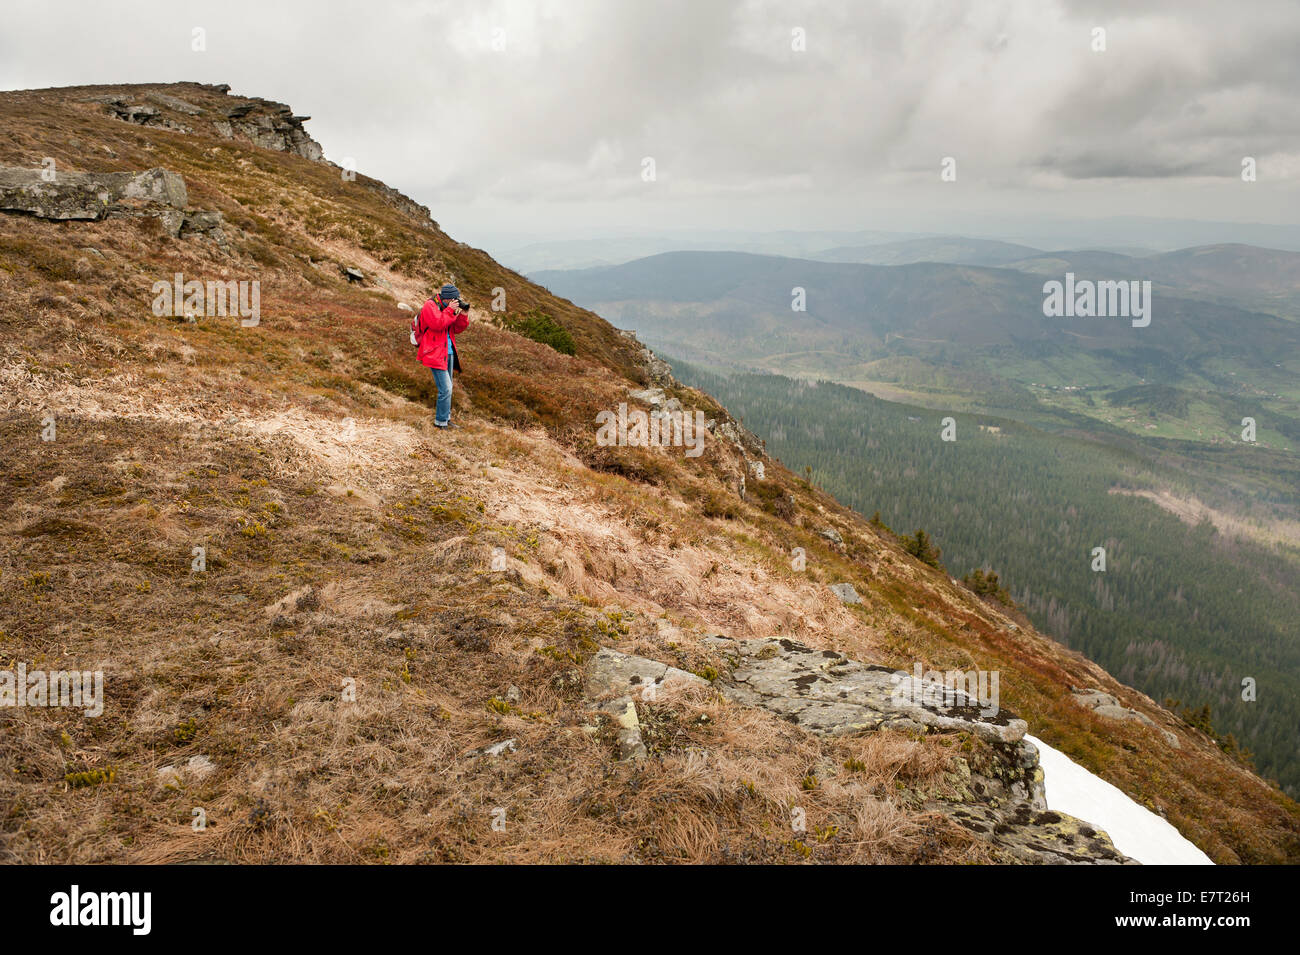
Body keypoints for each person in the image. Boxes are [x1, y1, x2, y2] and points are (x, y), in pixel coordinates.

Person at [412, 283, 470, 429]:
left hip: (448, 352)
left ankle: (446, 418)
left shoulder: (448, 308)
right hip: (434, 353)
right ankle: (440, 422)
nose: (456, 302)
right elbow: (437, 324)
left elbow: (457, 329)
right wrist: (450, 310)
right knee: (446, 389)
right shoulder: (430, 306)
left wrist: (463, 314)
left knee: (447, 388)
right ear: (447, 299)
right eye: (454, 300)